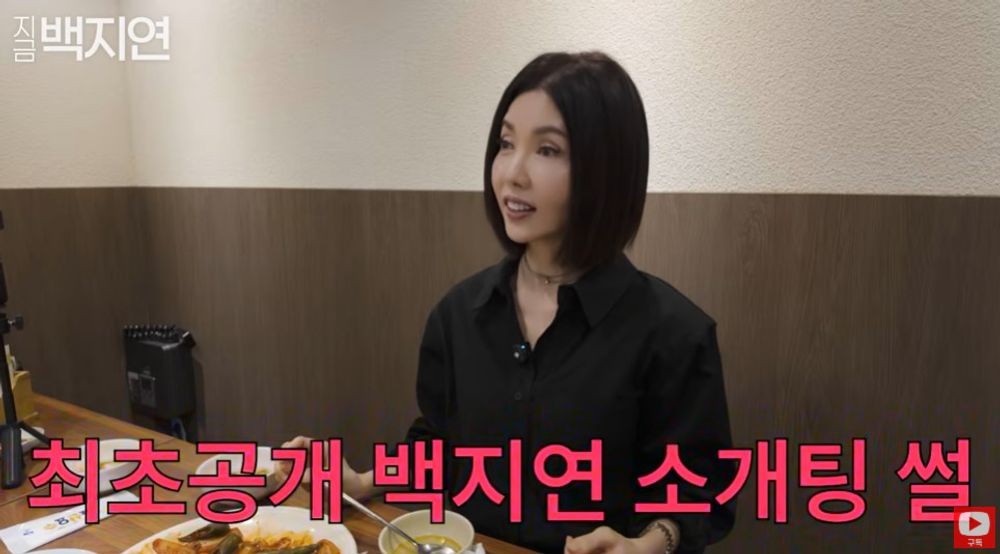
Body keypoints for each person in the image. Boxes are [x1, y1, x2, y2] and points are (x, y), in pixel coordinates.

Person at [279, 51, 737, 554]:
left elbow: (700, 495)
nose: (512, 173)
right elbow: (440, 443)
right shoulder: (458, 314)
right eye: (505, 143)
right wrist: (362, 482)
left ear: (607, 170)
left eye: (547, 150)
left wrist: (650, 543)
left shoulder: (674, 334)